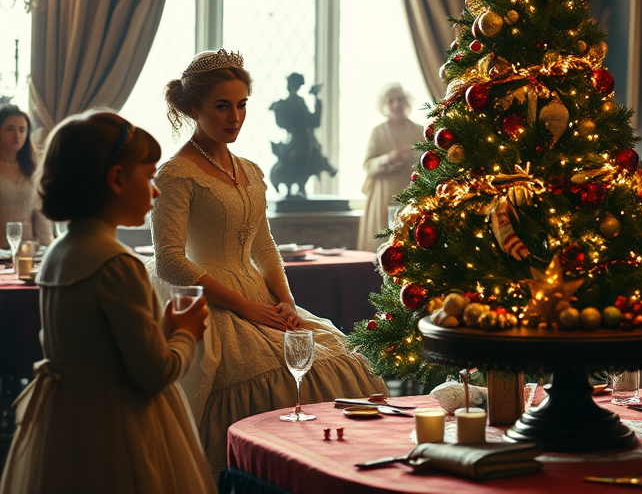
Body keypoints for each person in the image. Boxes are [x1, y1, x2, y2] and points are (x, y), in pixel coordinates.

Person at [149, 49, 386, 474]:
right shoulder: (176, 173)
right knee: (269, 382)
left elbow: (264, 247)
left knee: (342, 362)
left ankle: (331, 474)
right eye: (222, 106)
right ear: (192, 107)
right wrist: (244, 307)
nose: (234, 117)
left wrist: (287, 302)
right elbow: (168, 261)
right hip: (212, 302)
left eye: (241, 105)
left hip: (259, 294)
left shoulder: (251, 170)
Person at [0, 110, 215, 494]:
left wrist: (160, 330)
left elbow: (94, 345)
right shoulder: (118, 264)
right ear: (116, 179)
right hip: (117, 429)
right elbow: (152, 374)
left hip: (65, 426)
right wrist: (184, 335)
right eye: (149, 177)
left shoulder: (57, 255)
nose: (156, 191)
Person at [357, 83, 421, 253]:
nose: (396, 105)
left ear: (406, 102)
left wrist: (411, 157)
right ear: (384, 106)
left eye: (399, 99)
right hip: (382, 196)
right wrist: (388, 158)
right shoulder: (377, 132)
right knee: (383, 244)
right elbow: (368, 165)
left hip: (412, 194)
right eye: (390, 101)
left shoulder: (419, 131)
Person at [0, 104, 54, 246]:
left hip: (28, 252)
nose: (17, 135)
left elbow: (41, 214)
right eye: (9, 129)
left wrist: (48, 251)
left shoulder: (33, 167)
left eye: (22, 129)